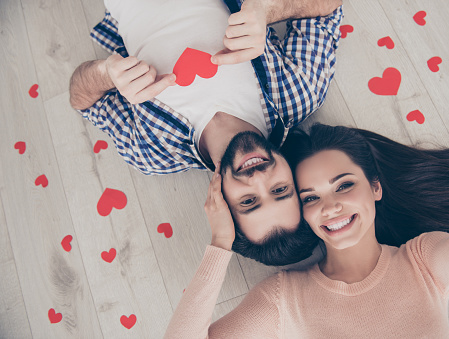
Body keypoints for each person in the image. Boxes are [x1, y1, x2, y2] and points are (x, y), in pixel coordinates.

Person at [163, 49, 449, 338]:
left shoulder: (423, 262)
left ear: (375, 187)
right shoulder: (283, 299)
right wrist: (220, 243)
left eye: (344, 185)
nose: (330, 207)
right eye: (310, 197)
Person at [68, 0, 343, 265]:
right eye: (280, 189)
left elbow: (82, 99)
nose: (258, 178)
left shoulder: (153, 152)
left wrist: (107, 74)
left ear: (220, 202)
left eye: (248, 201)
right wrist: (268, 10)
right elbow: (327, 6)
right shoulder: (299, 93)